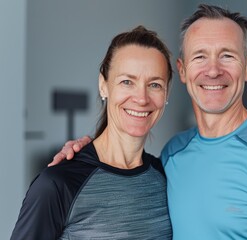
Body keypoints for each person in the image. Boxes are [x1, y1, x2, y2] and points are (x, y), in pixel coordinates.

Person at [50, 4, 247, 240]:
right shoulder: (171, 155)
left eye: (227, 56)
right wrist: (87, 151)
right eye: (200, 57)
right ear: (181, 71)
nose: (213, 71)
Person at [11, 26, 173, 239]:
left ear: (166, 93)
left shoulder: (167, 177)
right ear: (103, 85)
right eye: (127, 82)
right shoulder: (58, 184)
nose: (142, 98)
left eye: (154, 84)